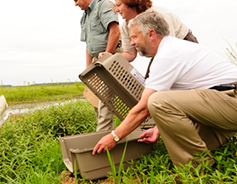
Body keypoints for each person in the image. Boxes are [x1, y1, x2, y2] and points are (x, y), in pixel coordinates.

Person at [92, 10, 237, 167]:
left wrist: (114, 136)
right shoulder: (173, 48)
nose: (132, 43)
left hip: (230, 99)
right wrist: (157, 129)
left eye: (134, 37)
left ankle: (196, 169)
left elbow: (144, 108)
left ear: (151, 34)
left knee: (157, 101)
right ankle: (205, 155)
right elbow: (181, 99)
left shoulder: (167, 55)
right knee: (189, 142)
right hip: (222, 101)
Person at [99, 0, 198, 78]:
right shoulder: (126, 26)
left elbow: (169, 50)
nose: (116, 10)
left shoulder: (160, 16)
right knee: (148, 85)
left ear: (131, 3)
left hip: (182, 46)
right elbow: (130, 54)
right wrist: (111, 60)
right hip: (160, 54)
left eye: (119, 5)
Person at [70, 0, 122, 131]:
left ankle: (102, 140)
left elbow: (115, 31)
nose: (75, 4)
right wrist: (88, 69)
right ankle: (106, 133)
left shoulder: (103, 6)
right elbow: (88, 44)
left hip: (110, 56)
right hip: (96, 60)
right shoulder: (84, 17)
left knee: (106, 98)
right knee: (95, 97)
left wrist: (106, 56)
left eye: (76, 0)